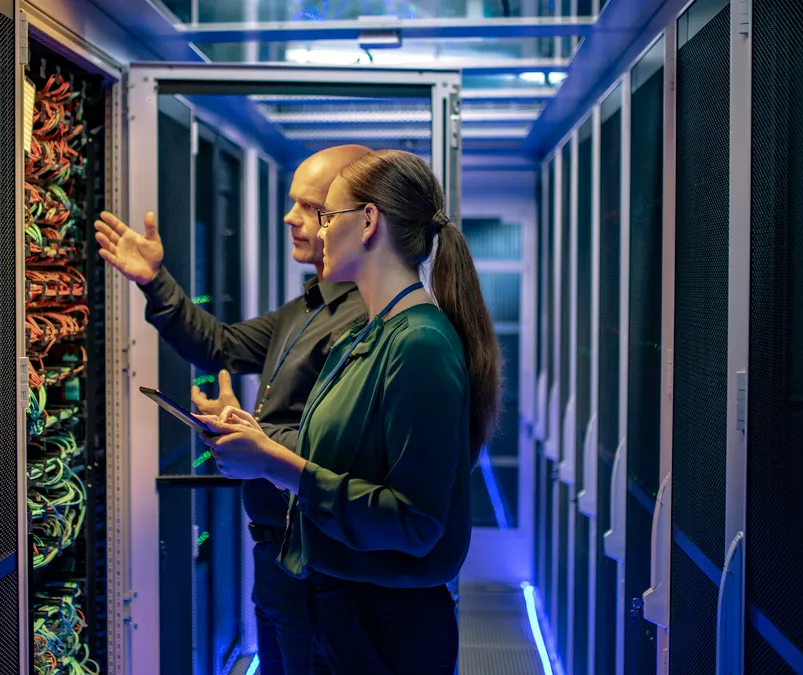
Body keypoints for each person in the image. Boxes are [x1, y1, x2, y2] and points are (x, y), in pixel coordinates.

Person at [195, 149, 502, 674]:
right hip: (339, 606)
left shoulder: (420, 344)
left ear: (367, 222)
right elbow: (340, 458)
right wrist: (255, 438)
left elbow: (414, 522)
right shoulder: (369, 334)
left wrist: (272, 463)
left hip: (386, 627)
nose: (315, 229)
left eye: (326, 216)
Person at [93, 144, 373, 675]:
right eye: (292, 203)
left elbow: (339, 449)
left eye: (308, 207)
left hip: (316, 562)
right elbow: (220, 346)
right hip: (275, 556)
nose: (290, 217)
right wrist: (155, 282)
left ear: (358, 218)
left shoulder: (362, 319)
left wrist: (253, 436)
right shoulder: (310, 305)